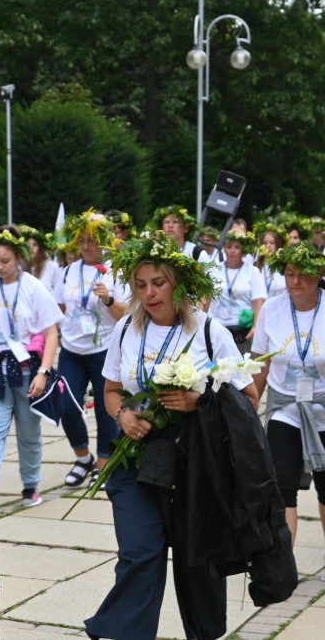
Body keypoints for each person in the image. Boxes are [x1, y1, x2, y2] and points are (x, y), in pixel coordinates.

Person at [86, 233, 260, 640]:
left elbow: (249, 400)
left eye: (158, 283)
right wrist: (123, 415)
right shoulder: (126, 327)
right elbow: (111, 390)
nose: (148, 293)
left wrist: (199, 402)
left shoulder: (210, 332)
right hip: (134, 460)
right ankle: (119, 633)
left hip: (195, 464)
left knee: (197, 561)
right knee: (140, 552)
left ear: (180, 284)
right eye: (140, 284)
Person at [0, 227, 61, 511]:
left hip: (28, 369)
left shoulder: (34, 287)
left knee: (28, 432)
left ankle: (31, 486)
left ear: (18, 257)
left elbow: (51, 334)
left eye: (5, 261)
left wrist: (43, 373)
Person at [251, 241, 325, 548]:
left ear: (320, 273)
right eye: (289, 274)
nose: (295, 281)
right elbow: (261, 365)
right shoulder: (272, 308)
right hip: (284, 409)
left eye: (303, 274)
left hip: (322, 411)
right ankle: (283, 565)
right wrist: (248, 409)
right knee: (282, 489)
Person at [51, 211, 129, 488]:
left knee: (106, 409)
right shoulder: (68, 271)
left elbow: (126, 314)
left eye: (92, 241)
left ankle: (104, 461)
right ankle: (82, 456)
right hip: (72, 349)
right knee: (66, 405)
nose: (86, 246)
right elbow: (58, 308)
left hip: (104, 348)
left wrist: (108, 299)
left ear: (104, 242)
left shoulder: (116, 270)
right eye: (81, 241)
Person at [206, 230, 266, 351]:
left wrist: (256, 327)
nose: (232, 251)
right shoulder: (214, 269)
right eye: (229, 247)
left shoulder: (252, 271)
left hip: (242, 330)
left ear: (243, 250)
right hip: (217, 327)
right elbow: (206, 299)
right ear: (224, 248)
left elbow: (258, 302)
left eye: (237, 247)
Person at [20, 224, 59, 295]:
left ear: (40, 248)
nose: (31, 248)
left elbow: (58, 293)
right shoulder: (21, 265)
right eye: (28, 244)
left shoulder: (51, 266)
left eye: (35, 245)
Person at [255, 224, 288, 300]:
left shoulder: (284, 266)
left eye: (272, 242)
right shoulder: (255, 267)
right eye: (265, 243)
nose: (268, 246)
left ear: (278, 244)